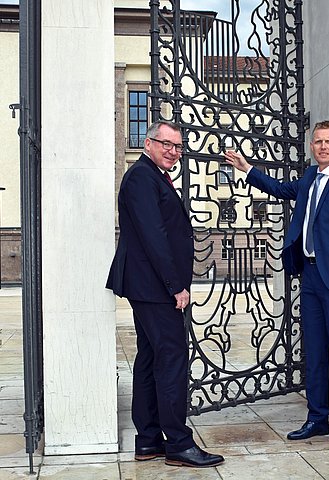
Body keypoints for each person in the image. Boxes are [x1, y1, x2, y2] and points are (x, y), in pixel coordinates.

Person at [224, 120, 329, 451]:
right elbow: (279, 188)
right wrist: (248, 169)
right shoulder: (308, 180)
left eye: (328, 142)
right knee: (315, 353)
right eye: (317, 141)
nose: (322, 147)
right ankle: (317, 418)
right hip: (311, 277)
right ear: (312, 146)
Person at [106, 120, 224, 467]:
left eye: (178, 146)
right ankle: (178, 443)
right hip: (155, 287)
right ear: (149, 142)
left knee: (149, 359)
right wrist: (177, 286)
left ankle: (148, 440)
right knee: (172, 359)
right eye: (166, 144)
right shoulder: (142, 177)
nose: (172, 151)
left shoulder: (151, 175)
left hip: (146, 284)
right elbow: (153, 236)